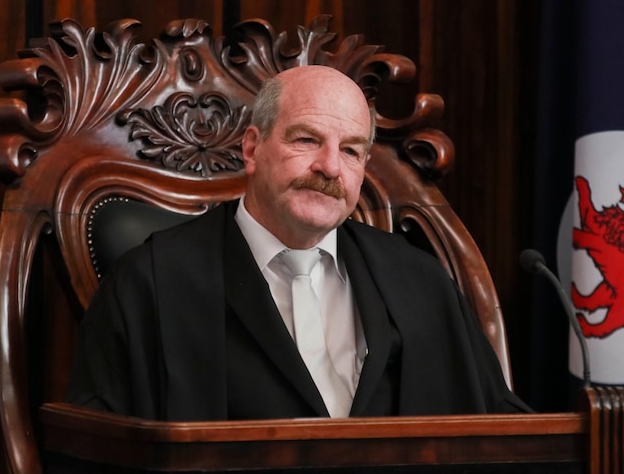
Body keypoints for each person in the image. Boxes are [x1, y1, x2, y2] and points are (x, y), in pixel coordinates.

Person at [66, 65, 531, 420]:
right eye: (307, 139)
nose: (330, 167)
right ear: (252, 148)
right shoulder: (150, 281)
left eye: (350, 150)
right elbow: (99, 447)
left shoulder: (420, 281)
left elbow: (495, 431)